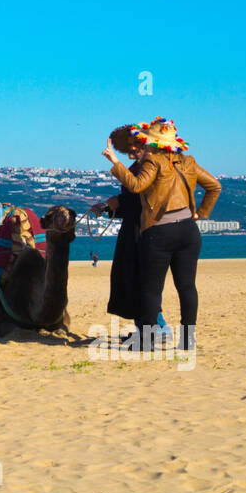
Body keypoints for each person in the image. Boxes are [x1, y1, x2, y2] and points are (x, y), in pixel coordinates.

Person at [104, 117, 221, 351]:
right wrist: (200, 214)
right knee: (187, 287)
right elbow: (214, 186)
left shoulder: (152, 161)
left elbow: (137, 186)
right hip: (188, 229)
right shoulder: (188, 161)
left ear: (151, 143)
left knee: (150, 289)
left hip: (159, 231)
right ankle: (187, 340)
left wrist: (114, 161)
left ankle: (147, 340)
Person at [91, 124, 170, 337]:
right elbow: (133, 199)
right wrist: (109, 206)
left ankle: (159, 328)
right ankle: (149, 328)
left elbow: (141, 195)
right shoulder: (139, 167)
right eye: (130, 146)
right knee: (135, 278)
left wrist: (117, 200)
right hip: (135, 228)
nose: (132, 149)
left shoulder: (150, 166)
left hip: (143, 229)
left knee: (140, 279)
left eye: (137, 144)